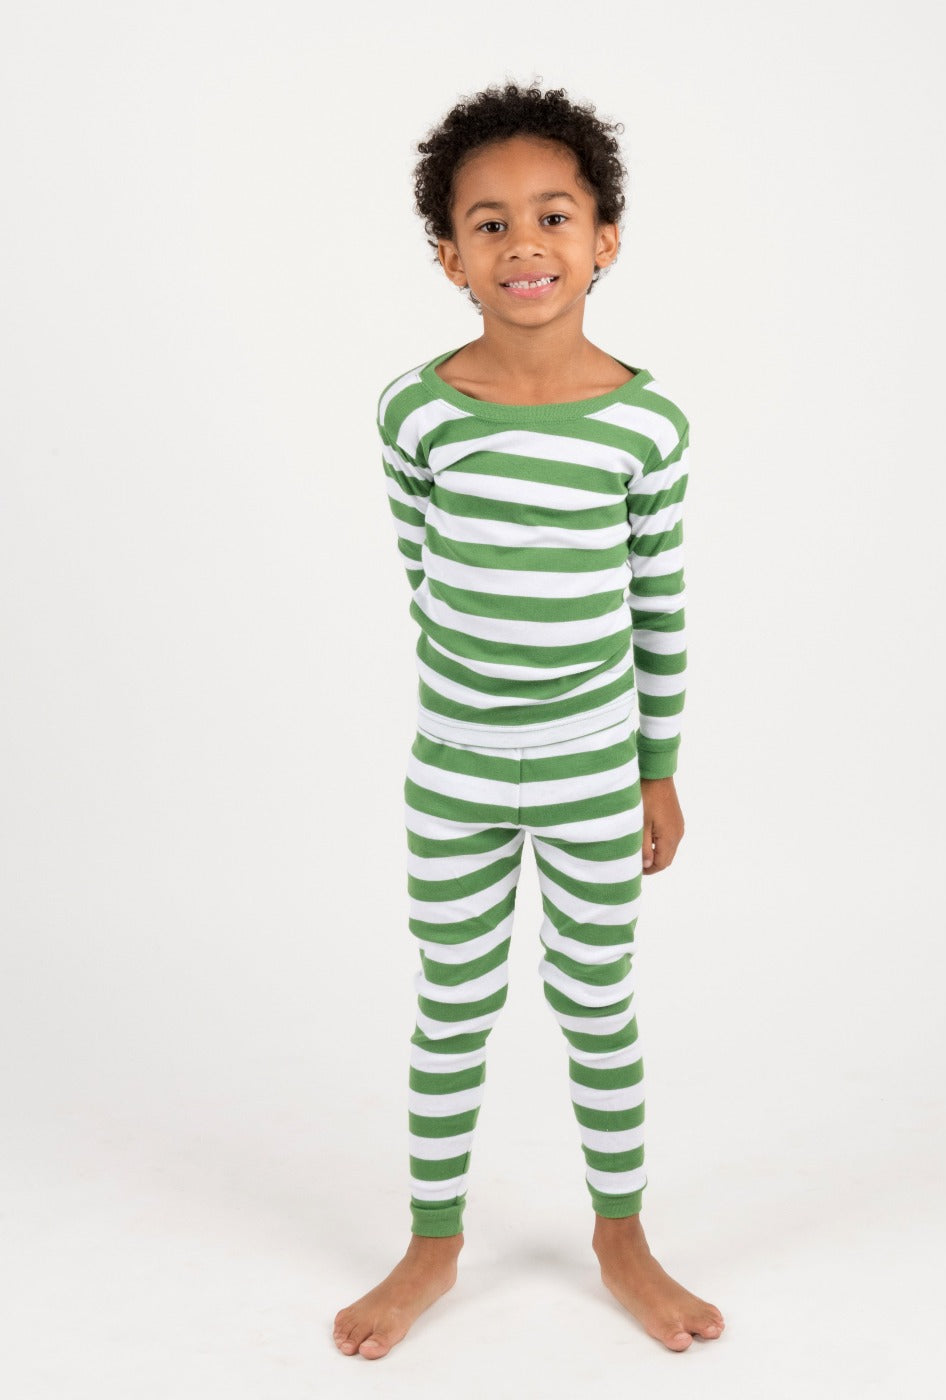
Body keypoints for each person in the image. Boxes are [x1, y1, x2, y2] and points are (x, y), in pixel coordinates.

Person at [334, 81, 725, 1359]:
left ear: (602, 238)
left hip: (590, 770)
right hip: (452, 770)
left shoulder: (646, 423)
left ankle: (621, 1236)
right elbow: (426, 573)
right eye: (487, 223)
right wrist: (475, 706)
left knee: (595, 1002)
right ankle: (430, 1241)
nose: (523, 244)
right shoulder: (415, 411)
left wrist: (654, 769)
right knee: (450, 1002)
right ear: (449, 256)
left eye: (552, 215)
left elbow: (656, 606)